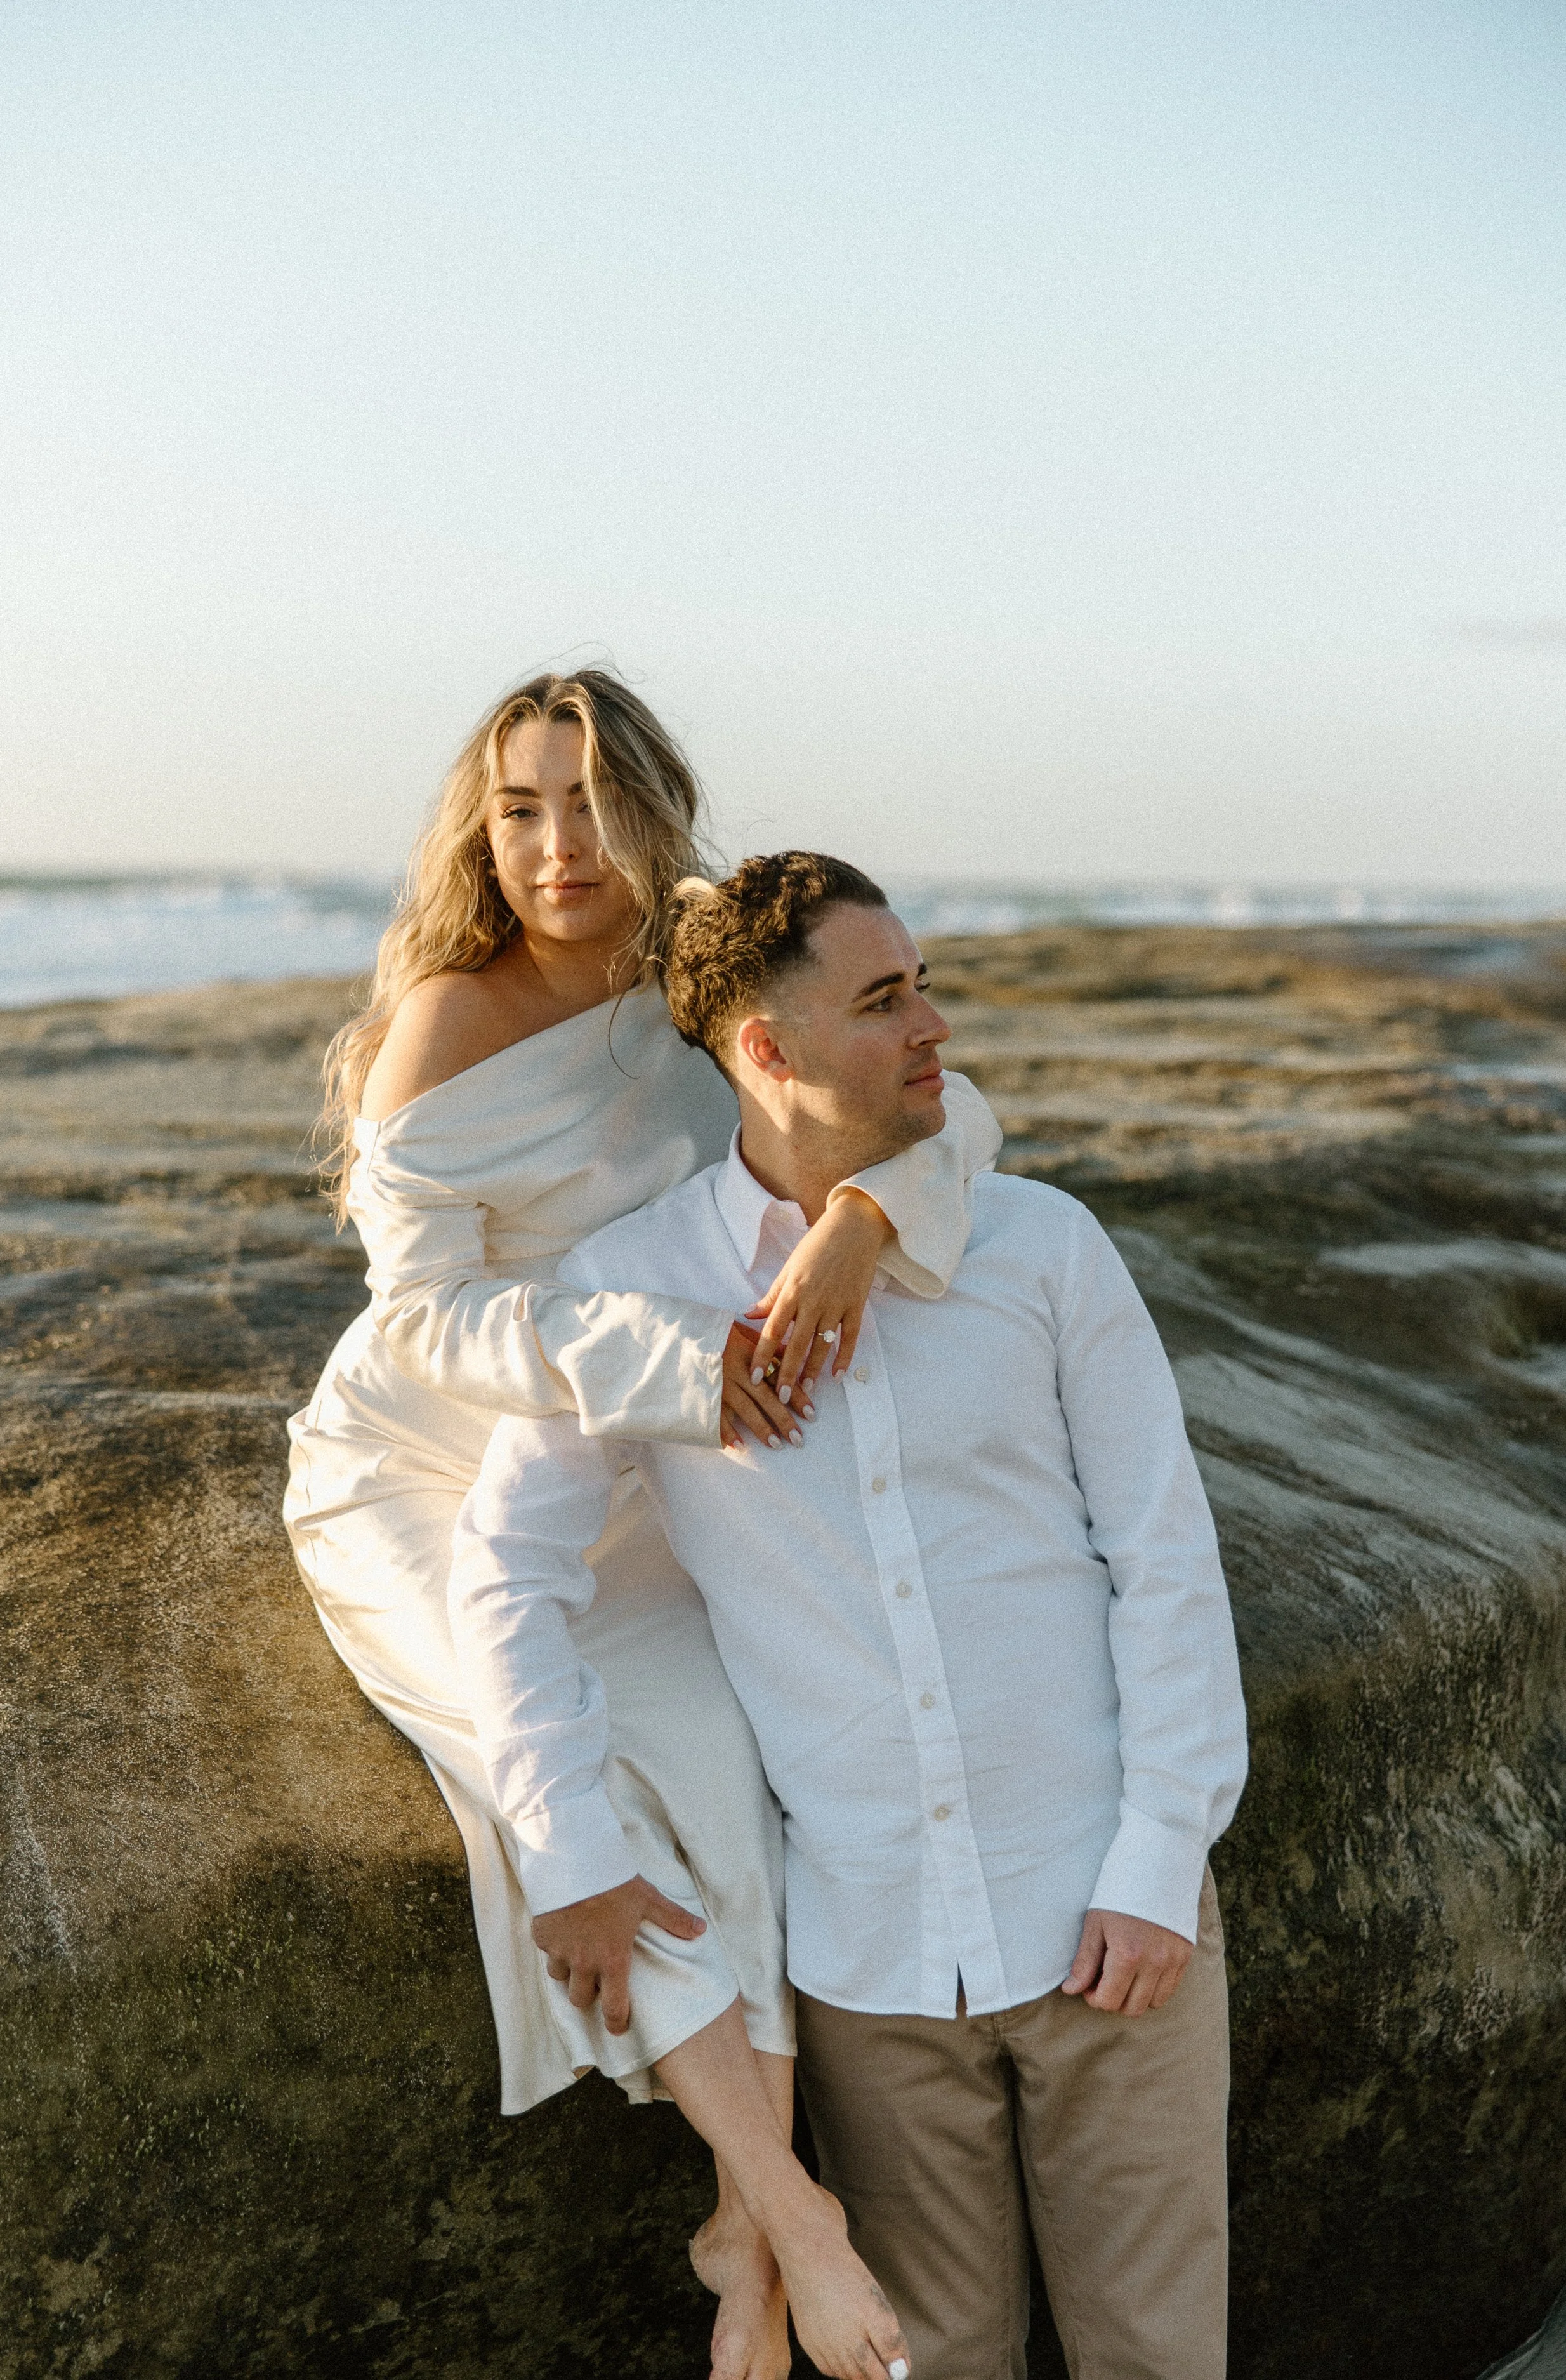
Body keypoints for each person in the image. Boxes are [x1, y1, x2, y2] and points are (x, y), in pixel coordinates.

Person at [450, 852, 1250, 2380]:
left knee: (1157, 2359)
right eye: (885, 1000)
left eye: (925, 983)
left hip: (1113, 1922)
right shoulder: (636, 1293)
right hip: (874, 1968)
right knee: (921, 2367)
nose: (934, 1024)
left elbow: (1163, 1560)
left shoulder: (1041, 1248)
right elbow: (506, 1573)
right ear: (767, 1049)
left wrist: (1158, 1862)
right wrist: (564, 1851)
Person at [284, 680, 999, 2380]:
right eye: (521, 808)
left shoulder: (704, 965)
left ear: (656, 811)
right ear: (482, 827)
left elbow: (935, 1098)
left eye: (591, 803)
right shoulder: (446, 1020)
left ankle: (736, 2252)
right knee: (585, 1798)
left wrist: (854, 1213)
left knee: (750, 1798)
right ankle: (795, 2215)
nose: (556, 845)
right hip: (437, 1468)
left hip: (654, 1471)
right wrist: (664, 1357)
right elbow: (425, 1324)